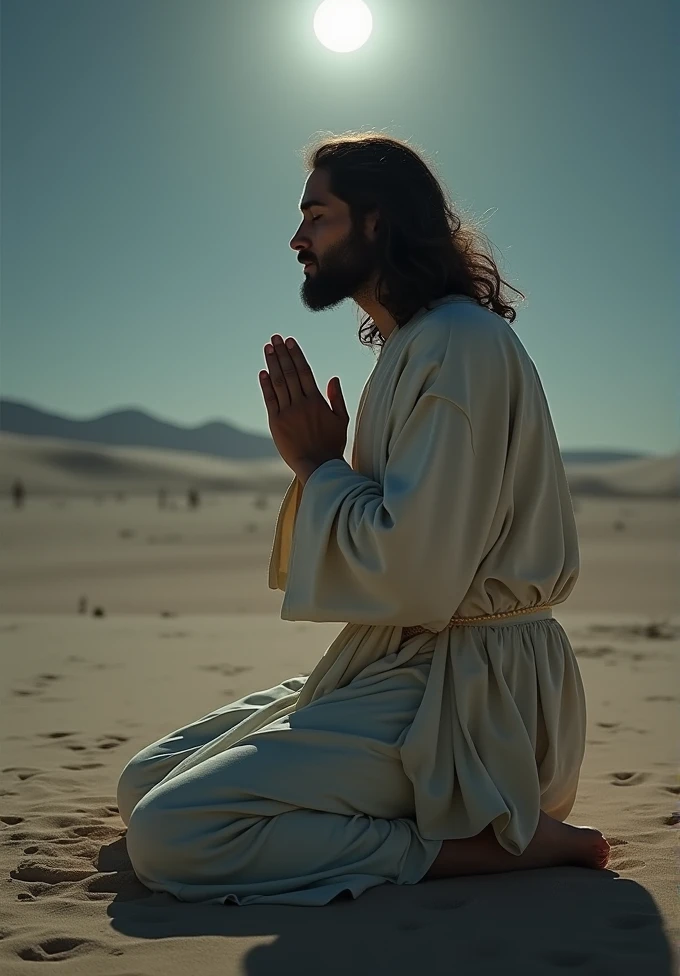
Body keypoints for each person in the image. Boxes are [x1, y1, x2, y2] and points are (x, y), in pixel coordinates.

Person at [117, 132, 609, 906]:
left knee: (170, 833)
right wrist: (319, 468)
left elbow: (419, 576)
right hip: (410, 668)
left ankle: (480, 844)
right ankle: (460, 831)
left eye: (318, 215)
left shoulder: (460, 346)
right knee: (142, 780)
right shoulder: (418, 346)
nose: (297, 237)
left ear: (376, 222)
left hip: (479, 706)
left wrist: (319, 467)